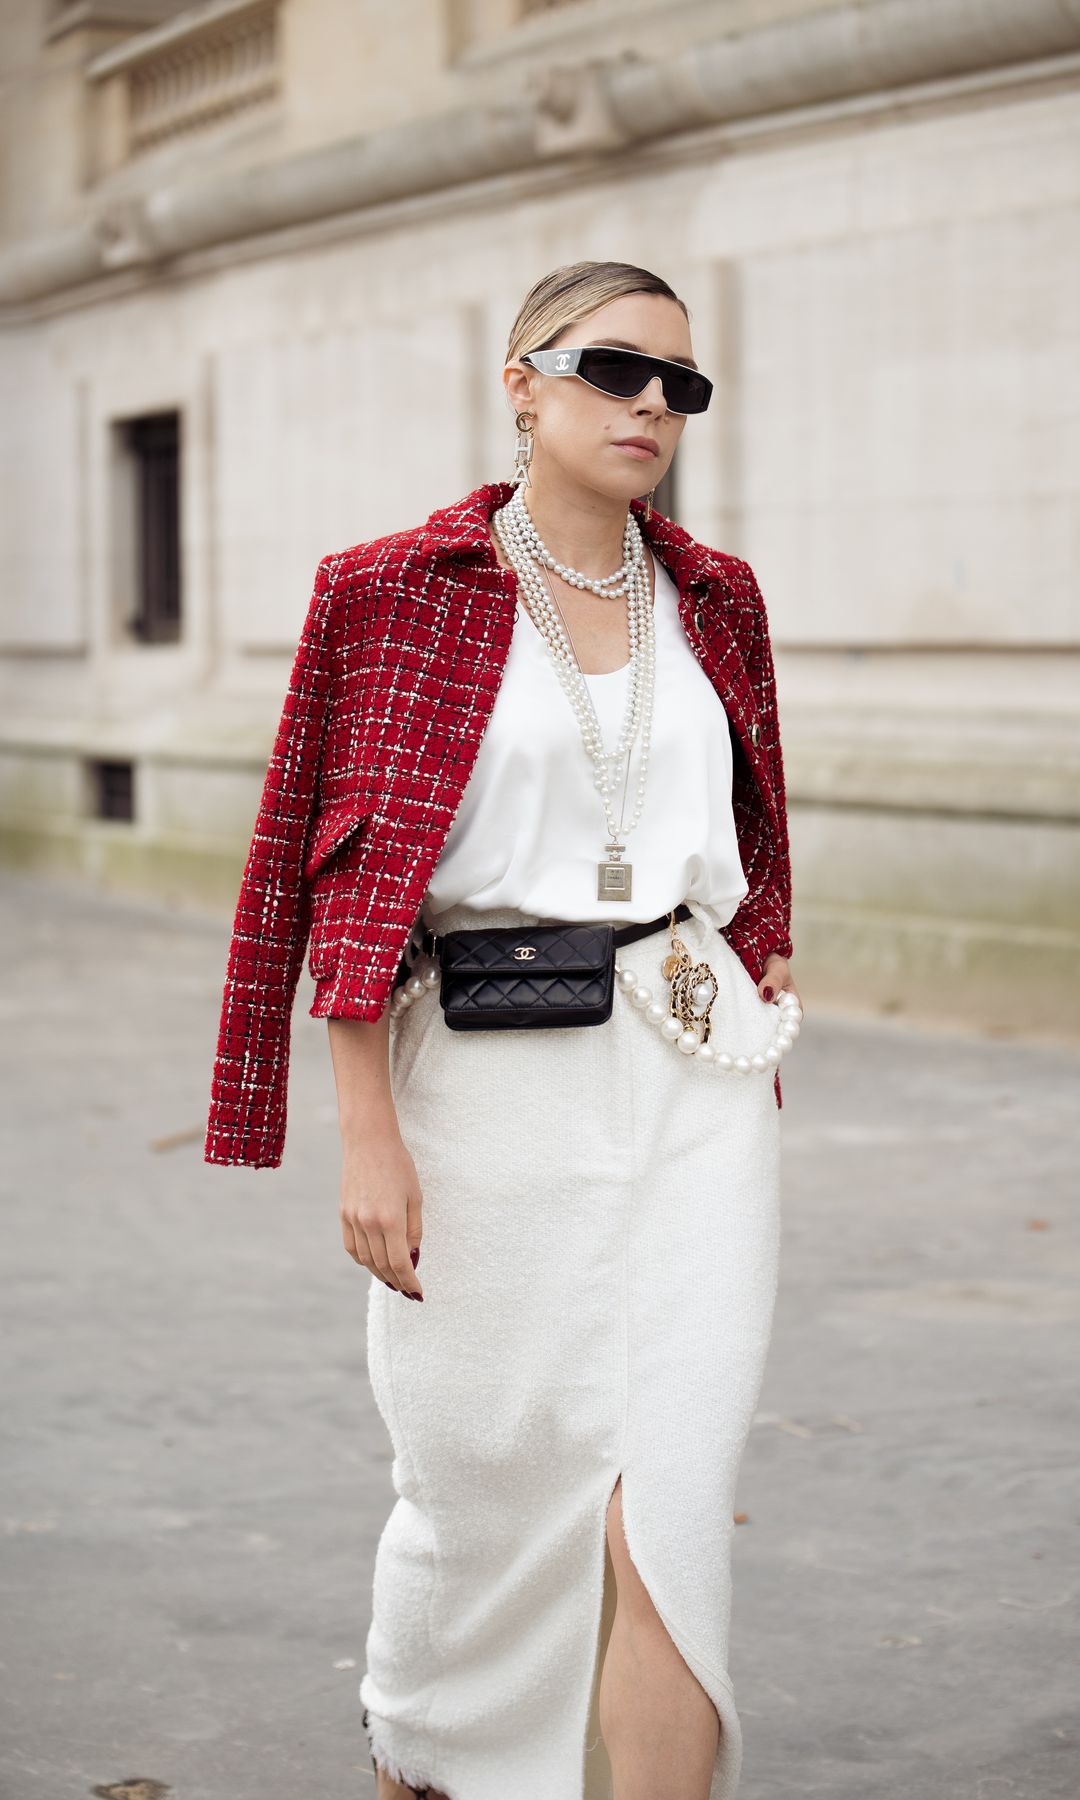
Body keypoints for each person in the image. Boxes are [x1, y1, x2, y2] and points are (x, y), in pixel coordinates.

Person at [205, 259, 803, 1800]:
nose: (653, 405)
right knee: (484, 1488)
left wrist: (760, 983)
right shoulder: (389, 590)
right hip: (479, 1078)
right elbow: (322, 871)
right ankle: (429, 1761)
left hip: (691, 1078)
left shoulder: (718, 596)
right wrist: (366, 1133)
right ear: (522, 384)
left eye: (684, 383)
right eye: (616, 369)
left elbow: (759, 832)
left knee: (662, 1498)